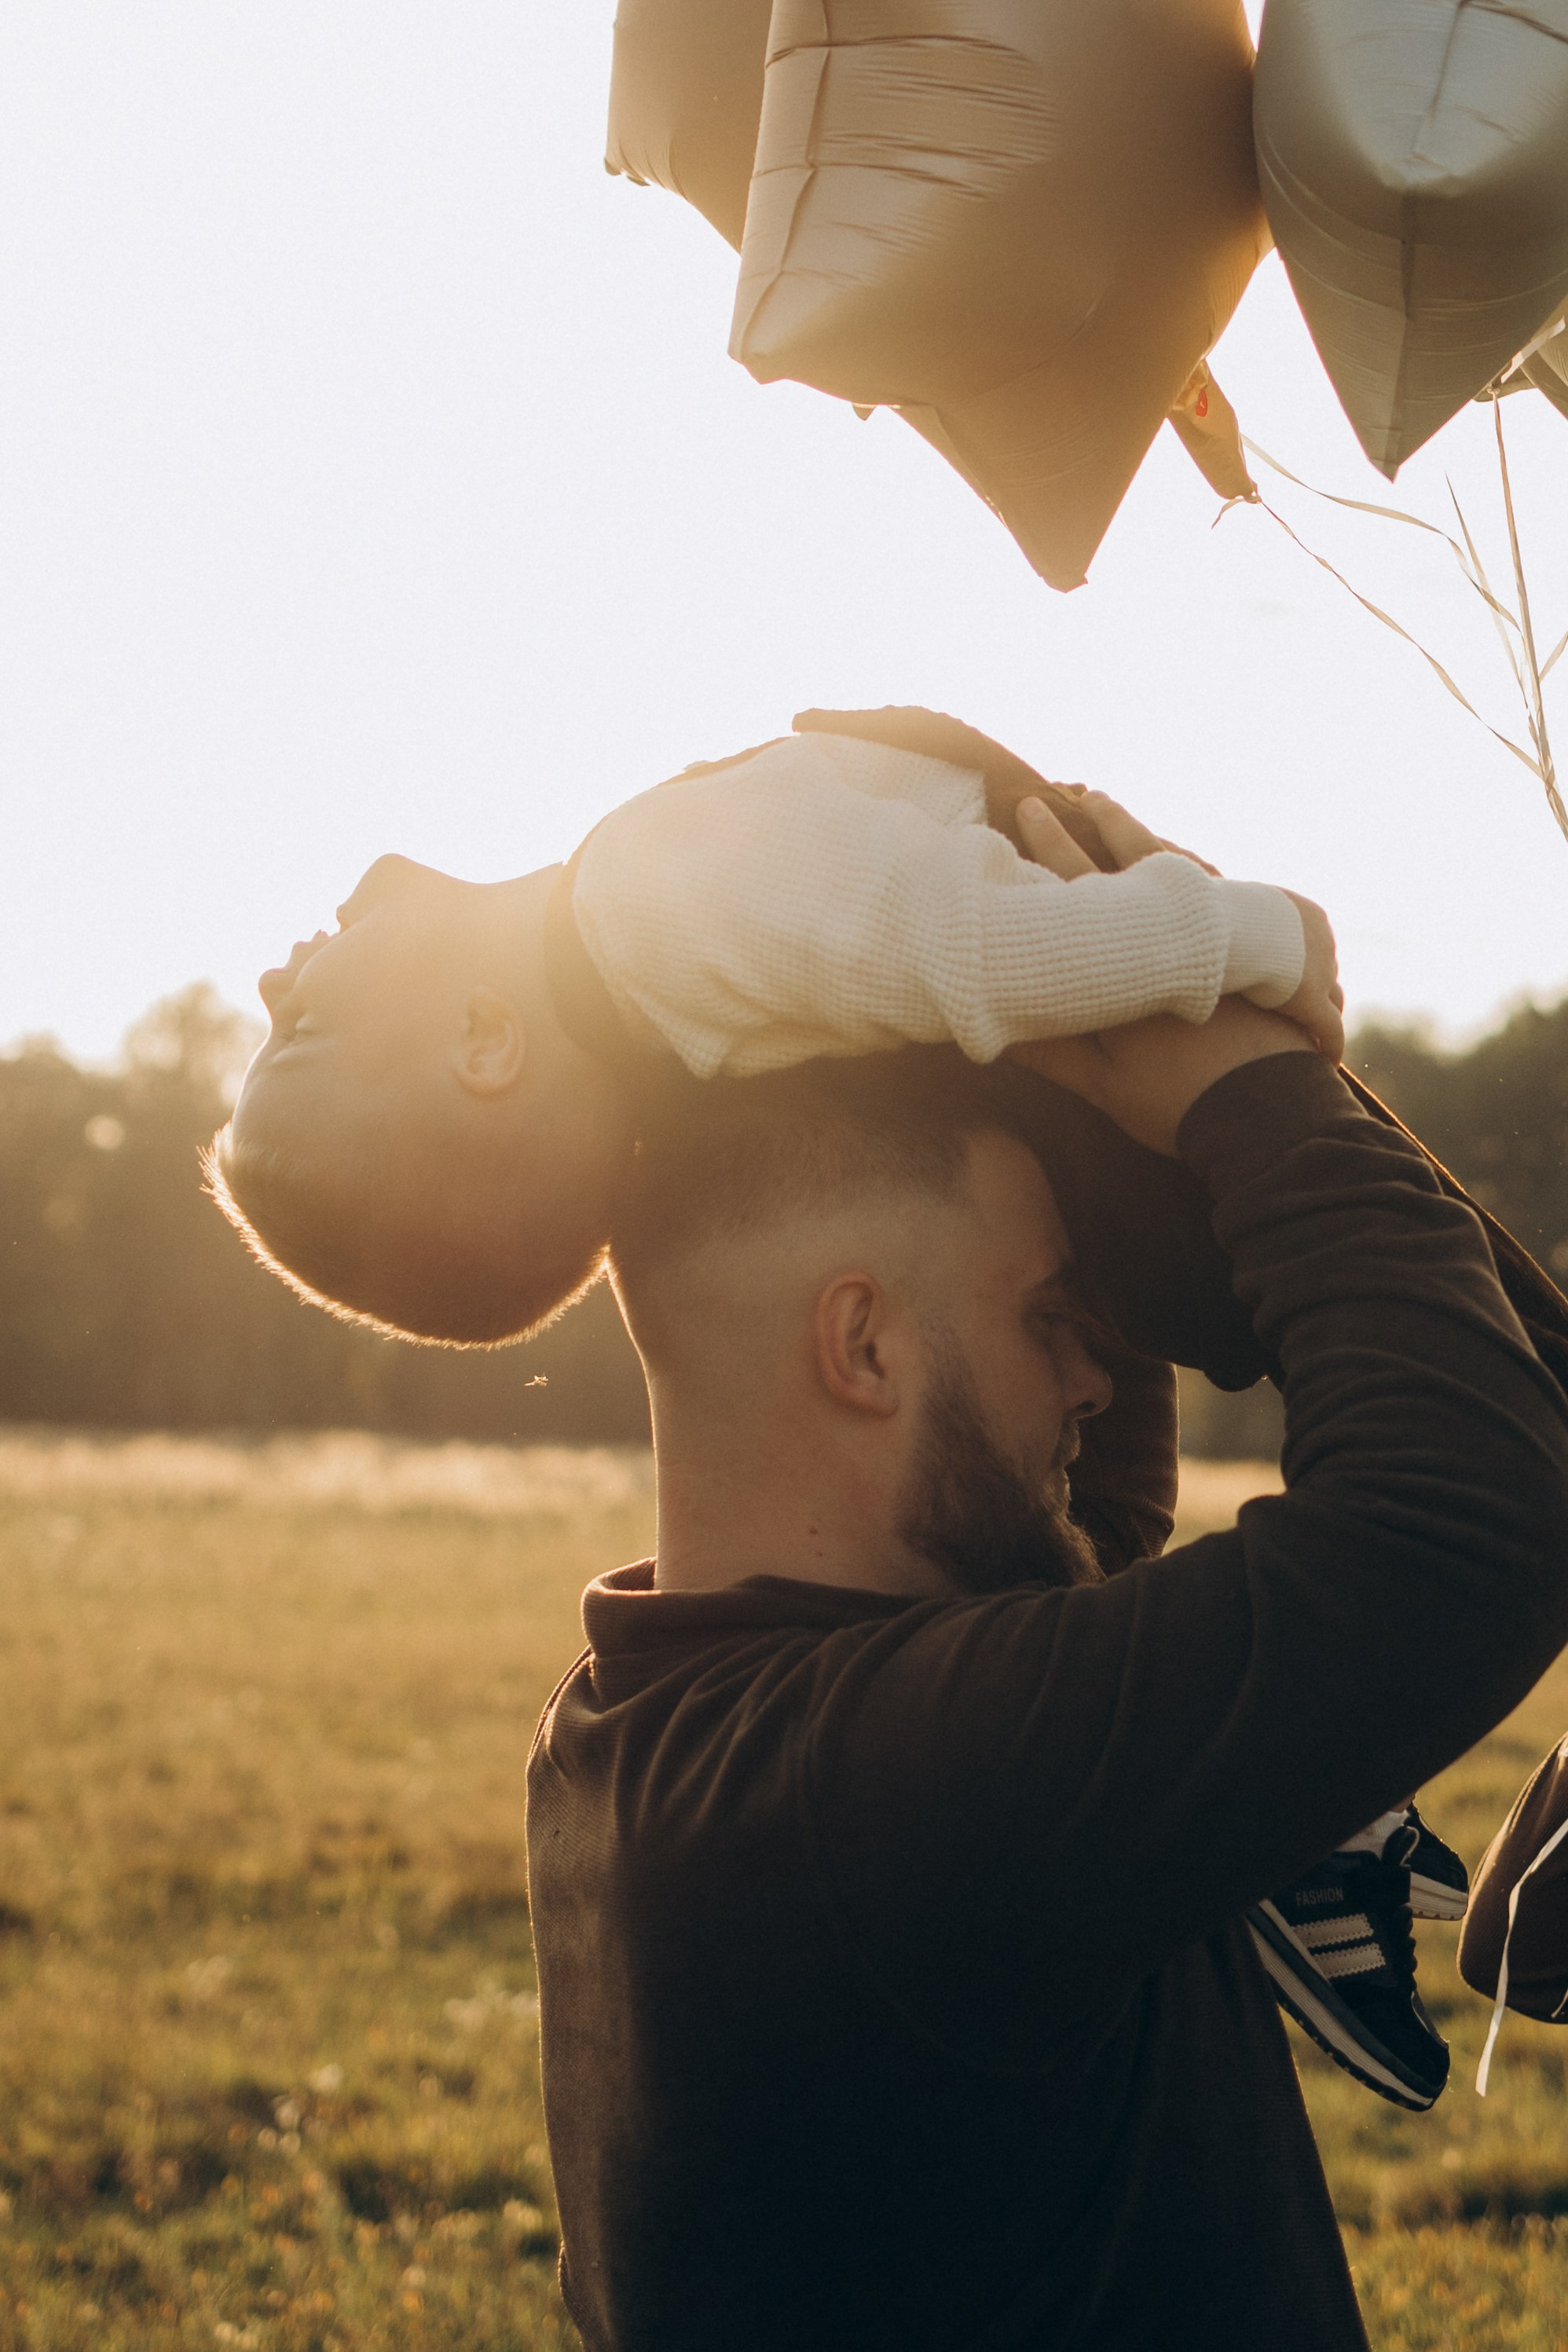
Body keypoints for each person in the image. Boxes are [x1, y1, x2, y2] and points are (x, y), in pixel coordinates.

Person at [525, 1005, 1568, 2352]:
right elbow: (1467, 1517)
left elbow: (1098, 1527)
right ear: (867, 1346)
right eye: (1045, 1320)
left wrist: (1049, 1049)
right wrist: (1238, 1082)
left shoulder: (641, 1723)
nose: (1091, 1374)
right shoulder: (885, 1794)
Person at [207, 705, 1336, 1347]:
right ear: (483, 1040)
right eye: (298, 1031)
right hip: (1181, 999)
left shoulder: (691, 1021)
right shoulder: (642, 904)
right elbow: (980, 948)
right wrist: (1263, 935)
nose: (268, 982)